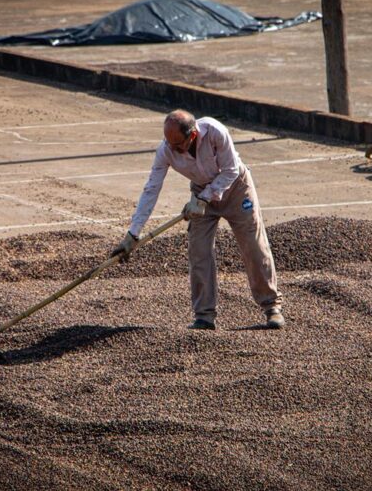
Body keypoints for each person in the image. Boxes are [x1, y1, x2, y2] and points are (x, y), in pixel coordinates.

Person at [111, 109, 284, 330]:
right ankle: (204, 316)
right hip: (201, 194)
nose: (172, 150)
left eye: (177, 145)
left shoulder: (215, 131)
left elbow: (230, 170)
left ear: (192, 135)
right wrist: (132, 234)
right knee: (199, 250)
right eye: (169, 143)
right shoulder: (166, 150)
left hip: (236, 188)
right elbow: (151, 189)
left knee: (253, 244)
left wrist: (204, 198)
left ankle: (271, 307)